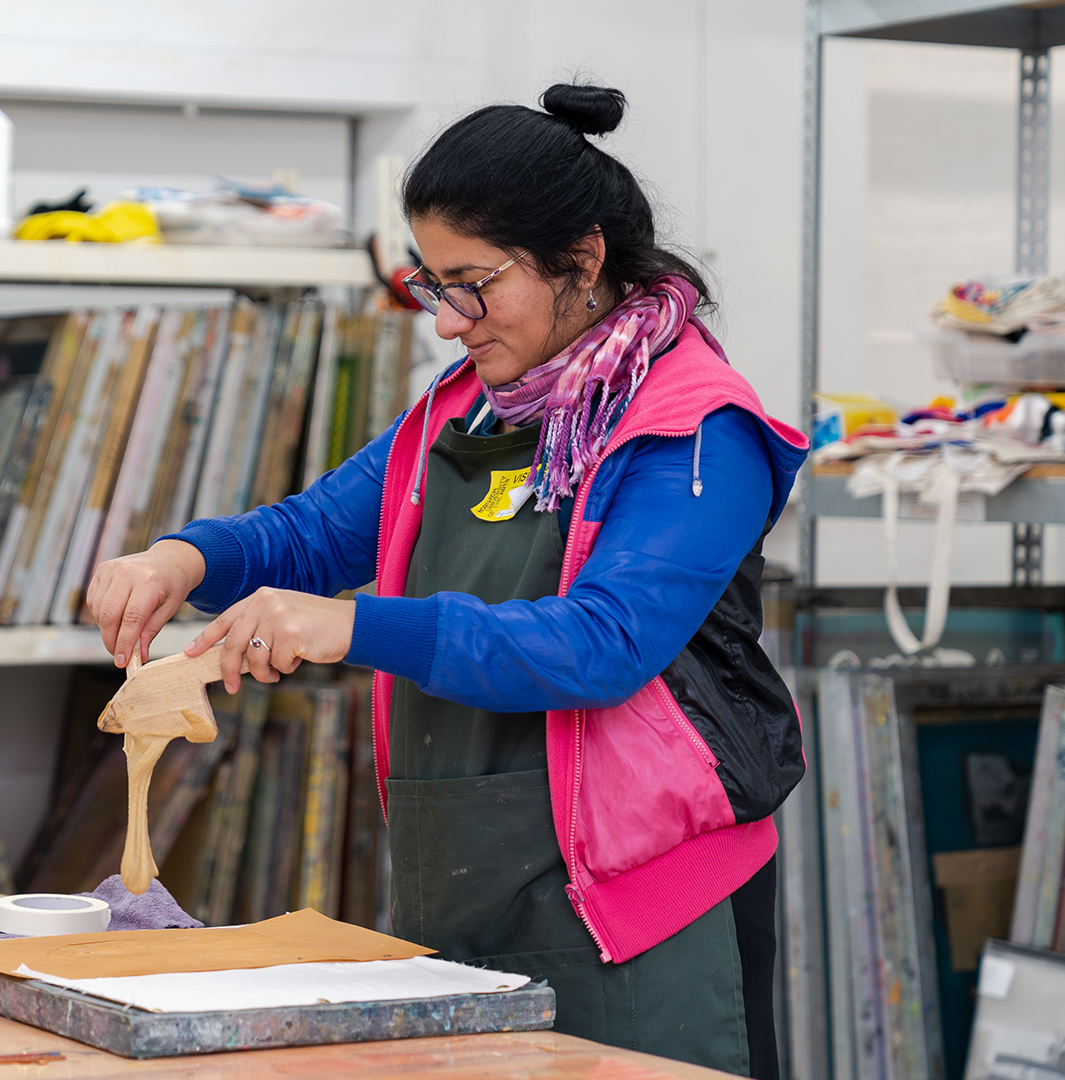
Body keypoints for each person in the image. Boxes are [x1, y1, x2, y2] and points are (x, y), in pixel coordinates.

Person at [84, 83, 808, 1079]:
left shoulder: (696, 432)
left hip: (644, 916)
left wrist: (352, 628)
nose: (445, 321)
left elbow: (600, 647)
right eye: (431, 283)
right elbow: (317, 532)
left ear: (583, 261)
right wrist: (183, 559)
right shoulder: (467, 411)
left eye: (473, 282)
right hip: (469, 888)